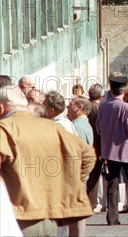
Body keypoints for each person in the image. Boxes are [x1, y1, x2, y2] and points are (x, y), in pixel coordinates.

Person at [1, 85, 96, 237]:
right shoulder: (51, 126)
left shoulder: (4, 129)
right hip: (48, 218)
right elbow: (88, 155)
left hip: (18, 218)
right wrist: (66, 181)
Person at [96, 73, 128, 225]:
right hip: (127, 149)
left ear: (111, 89)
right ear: (124, 90)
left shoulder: (103, 106)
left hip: (110, 149)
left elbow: (99, 128)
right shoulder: (126, 108)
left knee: (112, 182)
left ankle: (112, 217)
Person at [66, 97, 94, 236]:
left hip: (76, 175)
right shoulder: (80, 124)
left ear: (78, 108)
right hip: (79, 175)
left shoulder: (77, 127)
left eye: (70, 104)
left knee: (76, 214)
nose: (67, 107)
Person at [86, 84, 104, 213]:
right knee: (94, 176)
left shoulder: (85, 107)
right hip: (97, 146)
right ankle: (91, 202)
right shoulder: (99, 109)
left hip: (86, 143)